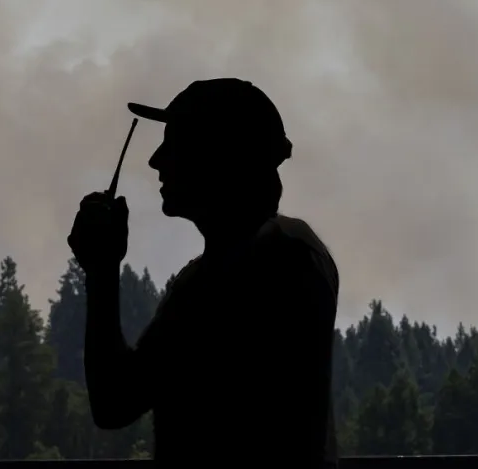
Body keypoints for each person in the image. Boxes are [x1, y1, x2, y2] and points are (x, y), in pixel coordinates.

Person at [68, 77, 339, 465]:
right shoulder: (295, 249)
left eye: (174, 143)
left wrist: (102, 270)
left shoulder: (243, 269)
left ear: (218, 155)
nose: (156, 160)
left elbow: (115, 402)